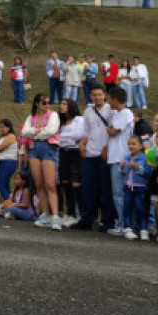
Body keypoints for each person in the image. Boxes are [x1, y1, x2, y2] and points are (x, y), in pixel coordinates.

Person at [74, 86, 117, 232]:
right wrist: (82, 145)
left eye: (100, 94)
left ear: (104, 95)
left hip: (104, 155)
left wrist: (108, 148)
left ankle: (108, 221)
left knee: (106, 190)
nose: (97, 97)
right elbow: (86, 131)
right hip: (90, 154)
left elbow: (114, 131)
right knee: (88, 189)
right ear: (91, 96)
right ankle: (87, 218)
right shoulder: (88, 111)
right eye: (94, 95)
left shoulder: (111, 110)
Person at [21, 94, 62, 231]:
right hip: (34, 149)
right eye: (44, 102)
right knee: (39, 184)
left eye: (48, 101)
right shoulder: (30, 117)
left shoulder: (53, 115)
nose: (47, 104)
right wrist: (38, 131)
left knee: (50, 184)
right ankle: (45, 213)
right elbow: (24, 132)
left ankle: (55, 215)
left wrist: (35, 134)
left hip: (48, 148)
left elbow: (51, 131)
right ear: (37, 103)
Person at [104, 86, 134, 234]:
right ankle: (123, 222)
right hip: (115, 157)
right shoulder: (117, 113)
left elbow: (113, 131)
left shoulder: (125, 113)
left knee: (119, 194)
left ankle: (124, 224)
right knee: (118, 194)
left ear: (115, 99)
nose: (108, 101)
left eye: (109, 98)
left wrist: (109, 129)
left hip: (120, 158)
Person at [57, 98, 84, 227]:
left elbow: (78, 135)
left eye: (64, 104)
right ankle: (70, 213)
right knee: (66, 183)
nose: (61, 106)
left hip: (75, 153)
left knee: (76, 184)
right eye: (61, 104)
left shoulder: (79, 120)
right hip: (63, 153)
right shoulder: (60, 122)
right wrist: (68, 139)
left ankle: (80, 213)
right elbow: (57, 138)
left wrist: (65, 139)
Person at [120, 135, 152, 239]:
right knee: (127, 208)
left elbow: (148, 172)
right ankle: (127, 228)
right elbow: (123, 172)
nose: (130, 146)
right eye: (129, 144)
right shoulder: (127, 157)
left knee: (141, 208)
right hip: (128, 186)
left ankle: (143, 229)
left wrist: (137, 167)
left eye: (133, 144)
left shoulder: (144, 158)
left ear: (140, 146)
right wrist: (122, 167)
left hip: (140, 187)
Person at [0, 119, 18, 201]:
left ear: (9, 127)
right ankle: (7, 202)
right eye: (0, 127)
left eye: (3, 127)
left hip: (8, 162)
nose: (1, 129)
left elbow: (0, 148)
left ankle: (9, 203)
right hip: (2, 162)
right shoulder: (3, 138)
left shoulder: (11, 136)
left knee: (0, 184)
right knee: (5, 184)